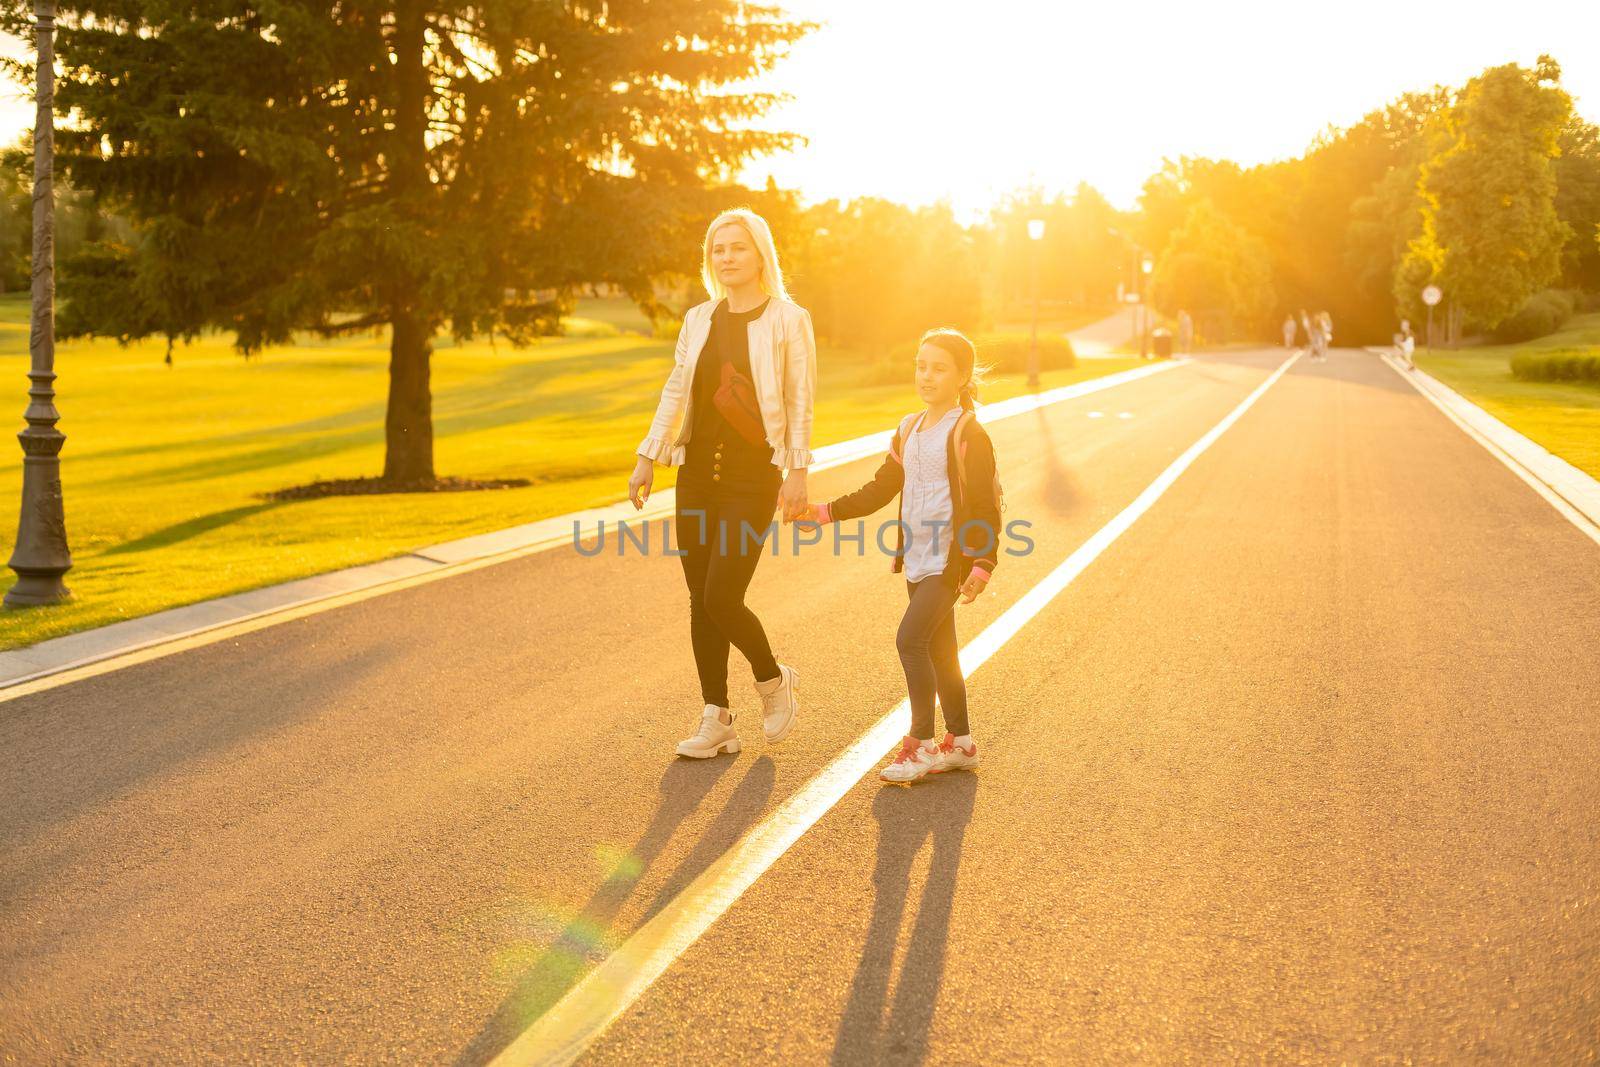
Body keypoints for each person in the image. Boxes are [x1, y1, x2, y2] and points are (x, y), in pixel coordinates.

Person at [627, 208, 816, 759]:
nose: (727, 257)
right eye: (718, 249)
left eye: (737, 247)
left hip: (752, 477)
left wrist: (797, 470)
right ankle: (718, 718)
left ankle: (772, 679)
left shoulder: (787, 318)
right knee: (698, 598)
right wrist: (648, 456)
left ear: (760, 254)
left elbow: (801, 396)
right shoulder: (699, 319)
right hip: (697, 476)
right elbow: (674, 391)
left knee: (721, 594)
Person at [795, 329, 1001, 784]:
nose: (926, 375)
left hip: (951, 560)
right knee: (942, 650)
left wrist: (983, 563)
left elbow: (987, 504)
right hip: (918, 557)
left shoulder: (969, 434)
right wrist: (826, 512)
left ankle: (921, 745)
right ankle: (961, 743)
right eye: (921, 365)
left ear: (962, 377)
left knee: (911, 640)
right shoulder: (908, 429)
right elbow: (880, 489)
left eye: (939, 368)